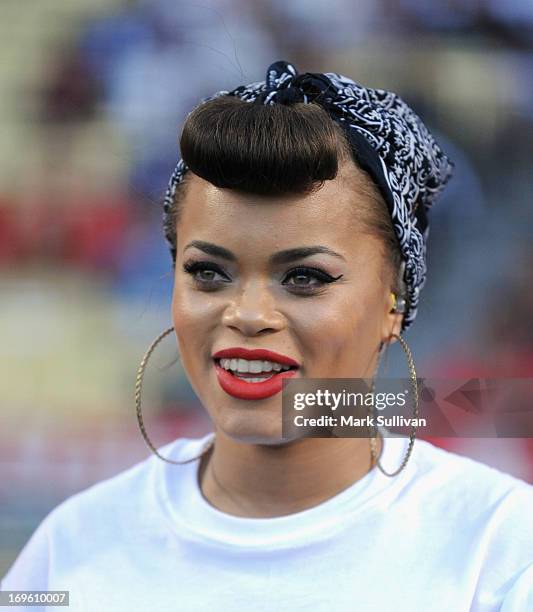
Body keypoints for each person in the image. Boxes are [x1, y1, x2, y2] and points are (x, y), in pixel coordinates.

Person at [2, 60, 532, 611]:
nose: (248, 314)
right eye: (208, 272)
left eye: (304, 277)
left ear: (393, 300)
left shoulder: (499, 554)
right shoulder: (71, 549)